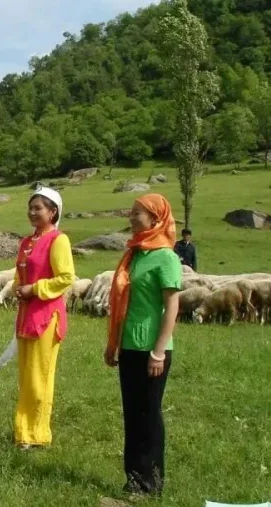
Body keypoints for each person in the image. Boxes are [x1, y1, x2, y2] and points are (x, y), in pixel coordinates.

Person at [104, 193, 181, 499]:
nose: (131, 217)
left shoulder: (166, 257)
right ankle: (133, 479)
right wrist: (114, 344)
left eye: (138, 213)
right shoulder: (135, 253)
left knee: (149, 414)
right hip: (129, 346)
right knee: (132, 415)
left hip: (152, 349)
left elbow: (171, 306)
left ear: (155, 218)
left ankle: (151, 484)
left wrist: (158, 352)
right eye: (132, 212)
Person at [10, 187, 75, 450]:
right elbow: (20, 273)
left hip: (46, 316)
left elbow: (66, 277)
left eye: (38, 208)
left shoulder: (58, 240)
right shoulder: (27, 242)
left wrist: (35, 289)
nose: (32, 212)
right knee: (26, 376)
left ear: (53, 212)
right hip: (26, 314)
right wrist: (17, 287)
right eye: (30, 208)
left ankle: (37, 434)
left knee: (40, 377)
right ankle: (23, 431)